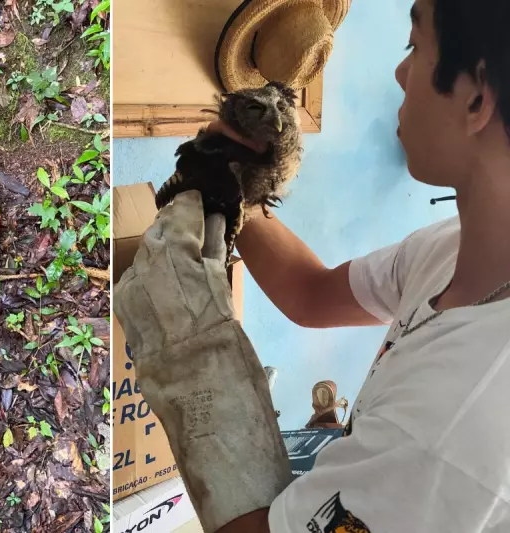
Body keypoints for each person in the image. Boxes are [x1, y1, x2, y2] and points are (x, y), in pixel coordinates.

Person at [115, 0, 510, 531]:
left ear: (477, 97)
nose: (400, 71)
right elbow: (311, 294)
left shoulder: (452, 434)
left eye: (414, 45)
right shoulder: (456, 249)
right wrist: (235, 186)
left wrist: (187, 352)